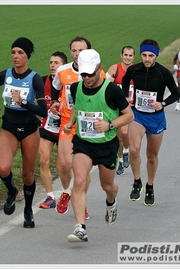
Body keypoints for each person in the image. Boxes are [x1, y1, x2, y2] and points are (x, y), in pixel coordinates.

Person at [64, 49, 134, 242]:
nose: (86, 78)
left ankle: (111, 202)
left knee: (107, 185)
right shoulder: (75, 88)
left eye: (90, 74)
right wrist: (71, 122)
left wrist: (109, 125)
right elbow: (78, 107)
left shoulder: (112, 90)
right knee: (79, 180)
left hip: (107, 145)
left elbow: (129, 115)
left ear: (100, 69)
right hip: (83, 143)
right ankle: (80, 228)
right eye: (83, 74)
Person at [0, 37, 47, 228]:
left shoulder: (35, 78)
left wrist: (24, 103)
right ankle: (12, 191)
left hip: (30, 129)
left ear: (28, 55)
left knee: (28, 175)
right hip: (9, 127)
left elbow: (43, 110)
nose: (16, 56)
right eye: (13, 52)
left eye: (20, 53)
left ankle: (28, 210)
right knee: (4, 168)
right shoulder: (5, 74)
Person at [51, 36, 105, 219]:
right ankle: (67, 192)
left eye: (81, 51)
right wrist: (55, 102)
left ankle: (80, 199)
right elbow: (54, 87)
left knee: (82, 170)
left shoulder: (99, 73)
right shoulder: (62, 71)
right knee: (65, 164)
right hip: (68, 123)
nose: (76, 54)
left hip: (87, 125)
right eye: (74, 50)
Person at [122, 39, 180, 206]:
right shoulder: (134, 70)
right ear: (141, 55)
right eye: (144, 55)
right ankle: (137, 181)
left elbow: (175, 93)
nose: (147, 59)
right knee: (133, 150)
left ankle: (150, 185)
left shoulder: (163, 73)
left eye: (151, 56)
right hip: (138, 115)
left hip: (156, 117)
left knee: (151, 157)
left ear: (157, 56)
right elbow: (125, 80)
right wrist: (127, 96)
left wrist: (162, 103)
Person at [38, 51, 68, 209]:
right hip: (48, 126)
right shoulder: (43, 81)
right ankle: (50, 197)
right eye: (51, 62)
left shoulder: (70, 83)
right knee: (43, 160)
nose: (52, 65)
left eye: (56, 63)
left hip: (66, 128)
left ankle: (66, 192)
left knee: (61, 166)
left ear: (64, 66)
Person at [106, 46, 135, 175]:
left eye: (130, 55)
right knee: (118, 137)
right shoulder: (114, 69)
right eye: (126, 55)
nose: (128, 57)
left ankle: (126, 151)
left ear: (133, 57)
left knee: (124, 133)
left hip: (129, 108)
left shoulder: (137, 70)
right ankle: (121, 160)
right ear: (121, 55)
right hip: (116, 108)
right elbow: (105, 85)